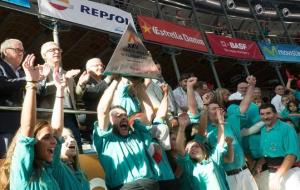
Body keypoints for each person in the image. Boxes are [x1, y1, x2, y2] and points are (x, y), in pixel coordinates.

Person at [93, 75, 159, 190]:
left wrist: (138, 83)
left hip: (150, 184)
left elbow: (148, 112)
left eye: (125, 115)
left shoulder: (138, 135)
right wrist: (115, 81)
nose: (123, 117)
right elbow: (103, 110)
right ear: (109, 120)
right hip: (124, 187)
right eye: (117, 115)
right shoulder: (105, 140)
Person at [5, 54, 60, 190]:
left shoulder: (48, 168)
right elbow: (28, 127)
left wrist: (61, 90)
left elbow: (58, 129)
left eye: (52, 137)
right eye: (46, 137)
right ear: (32, 143)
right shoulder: (23, 170)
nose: (54, 141)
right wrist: (31, 84)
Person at [38, 41, 82, 152]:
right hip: (52, 114)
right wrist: (62, 81)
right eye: (52, 50)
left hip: (70, 115)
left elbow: (76, 96)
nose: (56, 51)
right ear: (44, 55)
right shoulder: (40, 71)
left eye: (58, 50)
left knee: (76, 146)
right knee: (57, 147)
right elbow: (40, 91)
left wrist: (82, 83)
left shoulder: (66, 72)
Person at [175, 109, 232, 190]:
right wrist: (181, 128)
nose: (193, 149)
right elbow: (179, 150)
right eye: (189, 149)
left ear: (203, 149)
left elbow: (220, 143)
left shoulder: (213, 159)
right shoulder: (189, 166)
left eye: (196, 146)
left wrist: (221, 123)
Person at [255, 104, 300, 190]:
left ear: (276, 114)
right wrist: (260, 162)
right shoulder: (263, 130)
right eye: (262, 114)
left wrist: (277, 177)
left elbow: (291, 155)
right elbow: (269, 152)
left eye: (268, 113)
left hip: (289, 173)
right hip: (271, 172)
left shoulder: (287, 128)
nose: (265, 117)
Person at [0, 39, 26, 158]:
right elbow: (3, 84)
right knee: (7, 160)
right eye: (17, 50)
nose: (21, 53)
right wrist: (29, 79)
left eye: (22, 50)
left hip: (22, 123)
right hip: (5, 124)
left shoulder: (22, 72)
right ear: (6, 52)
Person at [76, 58, 112, 141]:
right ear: (88, 69)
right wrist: (108, 79)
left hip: (107, 121)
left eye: (102, 65)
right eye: (96, 65)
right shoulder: (85, 81)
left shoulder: (104, 82)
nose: (100, 67)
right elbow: (90, 94)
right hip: (93, 123)